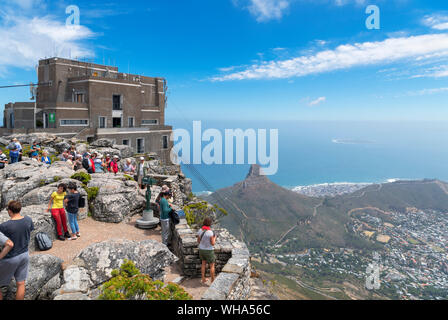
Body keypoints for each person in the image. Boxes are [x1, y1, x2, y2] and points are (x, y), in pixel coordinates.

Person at [0, 201, 34, 300]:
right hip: (24, 254)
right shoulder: (28, 220)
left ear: (9, 211)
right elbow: (29, 231)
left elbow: (7, 242)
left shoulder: (5, 226)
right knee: (21, 283)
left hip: (10, 258)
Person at [197, 217, 216, 284]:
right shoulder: (210, 233)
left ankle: (203, 279)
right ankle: (212, 281)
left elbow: (198, 241)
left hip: (201, 249)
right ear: (210, 224)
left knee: (203, 264)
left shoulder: (200, 231)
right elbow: (213, 243)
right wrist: (215, 237)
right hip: (209, 251)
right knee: (212, 265)